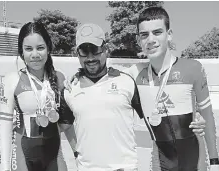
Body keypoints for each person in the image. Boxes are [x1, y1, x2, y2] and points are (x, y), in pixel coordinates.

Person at [64, 23, 206, 171]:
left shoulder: (127, 81)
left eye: (95, 50)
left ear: (106, 50)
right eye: (83, 52)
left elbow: (161, 110)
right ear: (77, 53)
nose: (90, 57)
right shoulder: (69, 88)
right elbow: (64, 124)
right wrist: (76, 151)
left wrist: (197, 118)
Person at [126, 7, 219, 171]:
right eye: (144, 34)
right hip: (159, 163)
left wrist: (214, 161)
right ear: (138, 39)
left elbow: (208, 118)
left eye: (157, 32)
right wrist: (74, 80)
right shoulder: (133, 74)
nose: (151, 39)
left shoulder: (192, 68)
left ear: (169, 34)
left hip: (195, 163)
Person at [0, 21, 75, 171]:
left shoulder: (60, 78)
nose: (35, 55)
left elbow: (67, 123)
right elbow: (5, 129)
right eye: (28, 49)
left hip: (54, 157)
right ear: (21, 51)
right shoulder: (11, 80)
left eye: (40, 48)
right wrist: (5, 167)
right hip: (23, 157)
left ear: (48, 48)